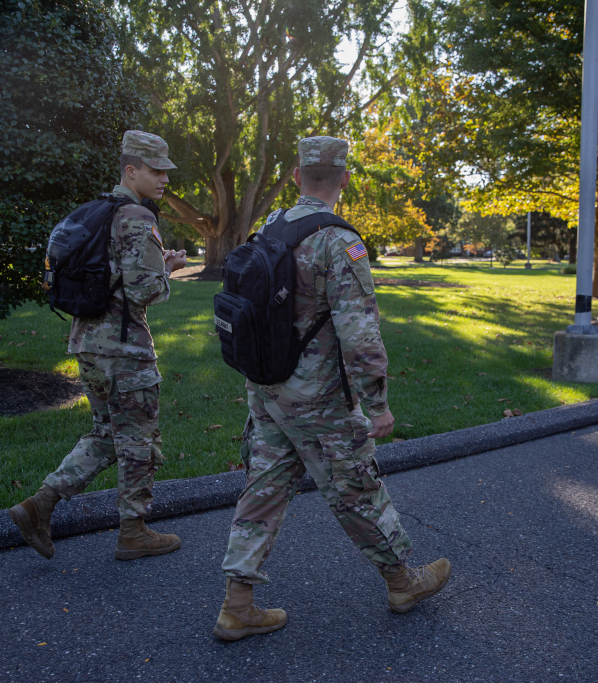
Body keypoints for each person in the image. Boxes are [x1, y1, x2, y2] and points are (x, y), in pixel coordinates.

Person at [213, 136, 451, 642]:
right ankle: (402, 581)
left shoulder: (270, 228)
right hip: (318, 399)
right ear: (344, 179)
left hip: (267, 388)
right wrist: (378, 404)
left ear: (297, 177)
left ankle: (237, 604)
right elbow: (360, 334)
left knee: (264, 487)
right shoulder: (338, 241)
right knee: (356, 487)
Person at [9, 130, 188, 561]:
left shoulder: (97, 212)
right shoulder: (137, 218)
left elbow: (113, 277)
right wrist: (166, 272)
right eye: (155, 170)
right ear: (131, 170)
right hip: (125, 351)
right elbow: (145, 292)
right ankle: (134, 532)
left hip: (87, 344)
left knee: (108, 433)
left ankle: (40, 505)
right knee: (138, 441)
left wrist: (153, 267)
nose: (164, 178)